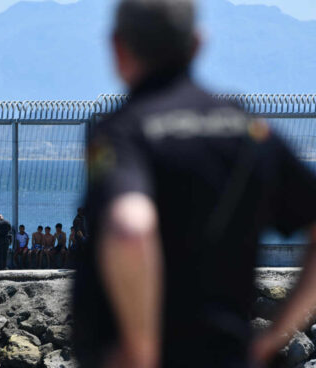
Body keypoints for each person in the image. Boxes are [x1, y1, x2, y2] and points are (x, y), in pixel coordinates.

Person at [73, 1, 316, 367]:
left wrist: (141, 352)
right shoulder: (248, 130)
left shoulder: (124, 131)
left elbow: (130, 228)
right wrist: (275, 334)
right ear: (198, 44)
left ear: (117, 49)